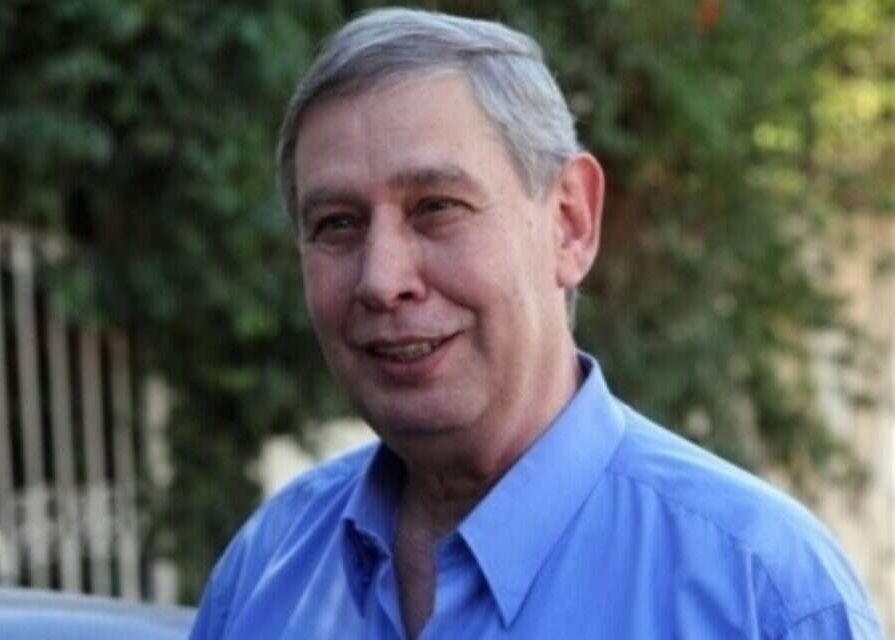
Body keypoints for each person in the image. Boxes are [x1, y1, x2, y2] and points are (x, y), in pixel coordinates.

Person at [189, 8, 882, 639]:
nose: (381, 279)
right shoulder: (265, 575)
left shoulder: (761, 598)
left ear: (570, 223)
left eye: (436, 207)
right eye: (337, 224)